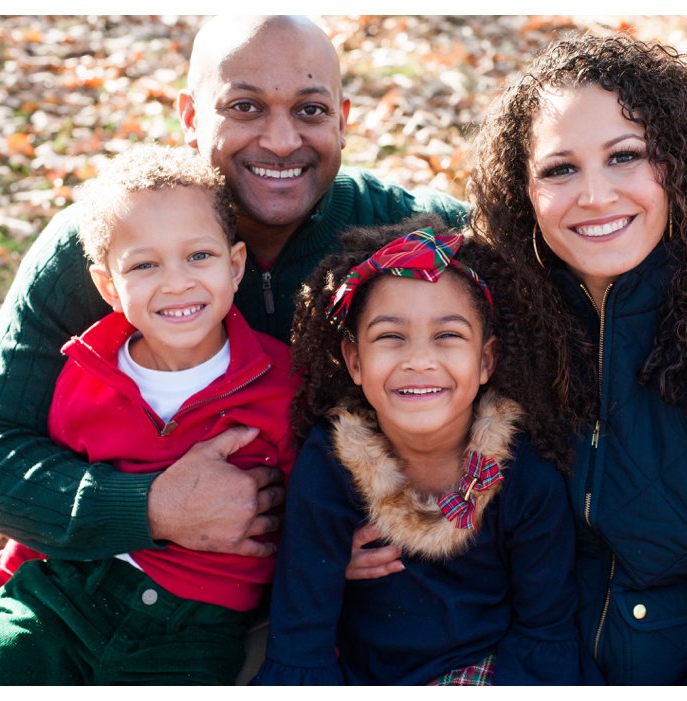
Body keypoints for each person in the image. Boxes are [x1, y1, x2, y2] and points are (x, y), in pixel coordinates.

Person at [0, 14, 467, 641]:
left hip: (351, 613)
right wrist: (152, 508)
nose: (280, 140)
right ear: (191, 117)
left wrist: (326, 546)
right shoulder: (107, 248)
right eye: (245, 107)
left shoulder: (417, 236)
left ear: (344, 119)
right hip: (106, 599)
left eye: (310, 109)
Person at [350, 34, 687, 684]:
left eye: (624, 156)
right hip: (502, 664)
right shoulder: (494, 329)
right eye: (559, 169)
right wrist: (360, 533)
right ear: (522, 190)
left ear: (679, 164)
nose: (595, 194)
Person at [0, 144, 299, 684]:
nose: (177, 281)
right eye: (145, 265)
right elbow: (40, 525)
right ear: (108, 287)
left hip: (195, 632)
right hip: (62, 602)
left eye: (199, 256)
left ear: (235, 265)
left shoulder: (280, 384)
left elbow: (314, 507)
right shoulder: (86, 374)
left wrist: (335, 565)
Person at [251, 216, 589, 685]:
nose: (419, 360)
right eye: (390, 337)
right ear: (354, 361)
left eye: (448, 336)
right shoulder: (331, 461)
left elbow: (545, 625)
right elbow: (300, 635)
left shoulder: (521, 466)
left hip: (486, 672)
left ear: (486, 360)